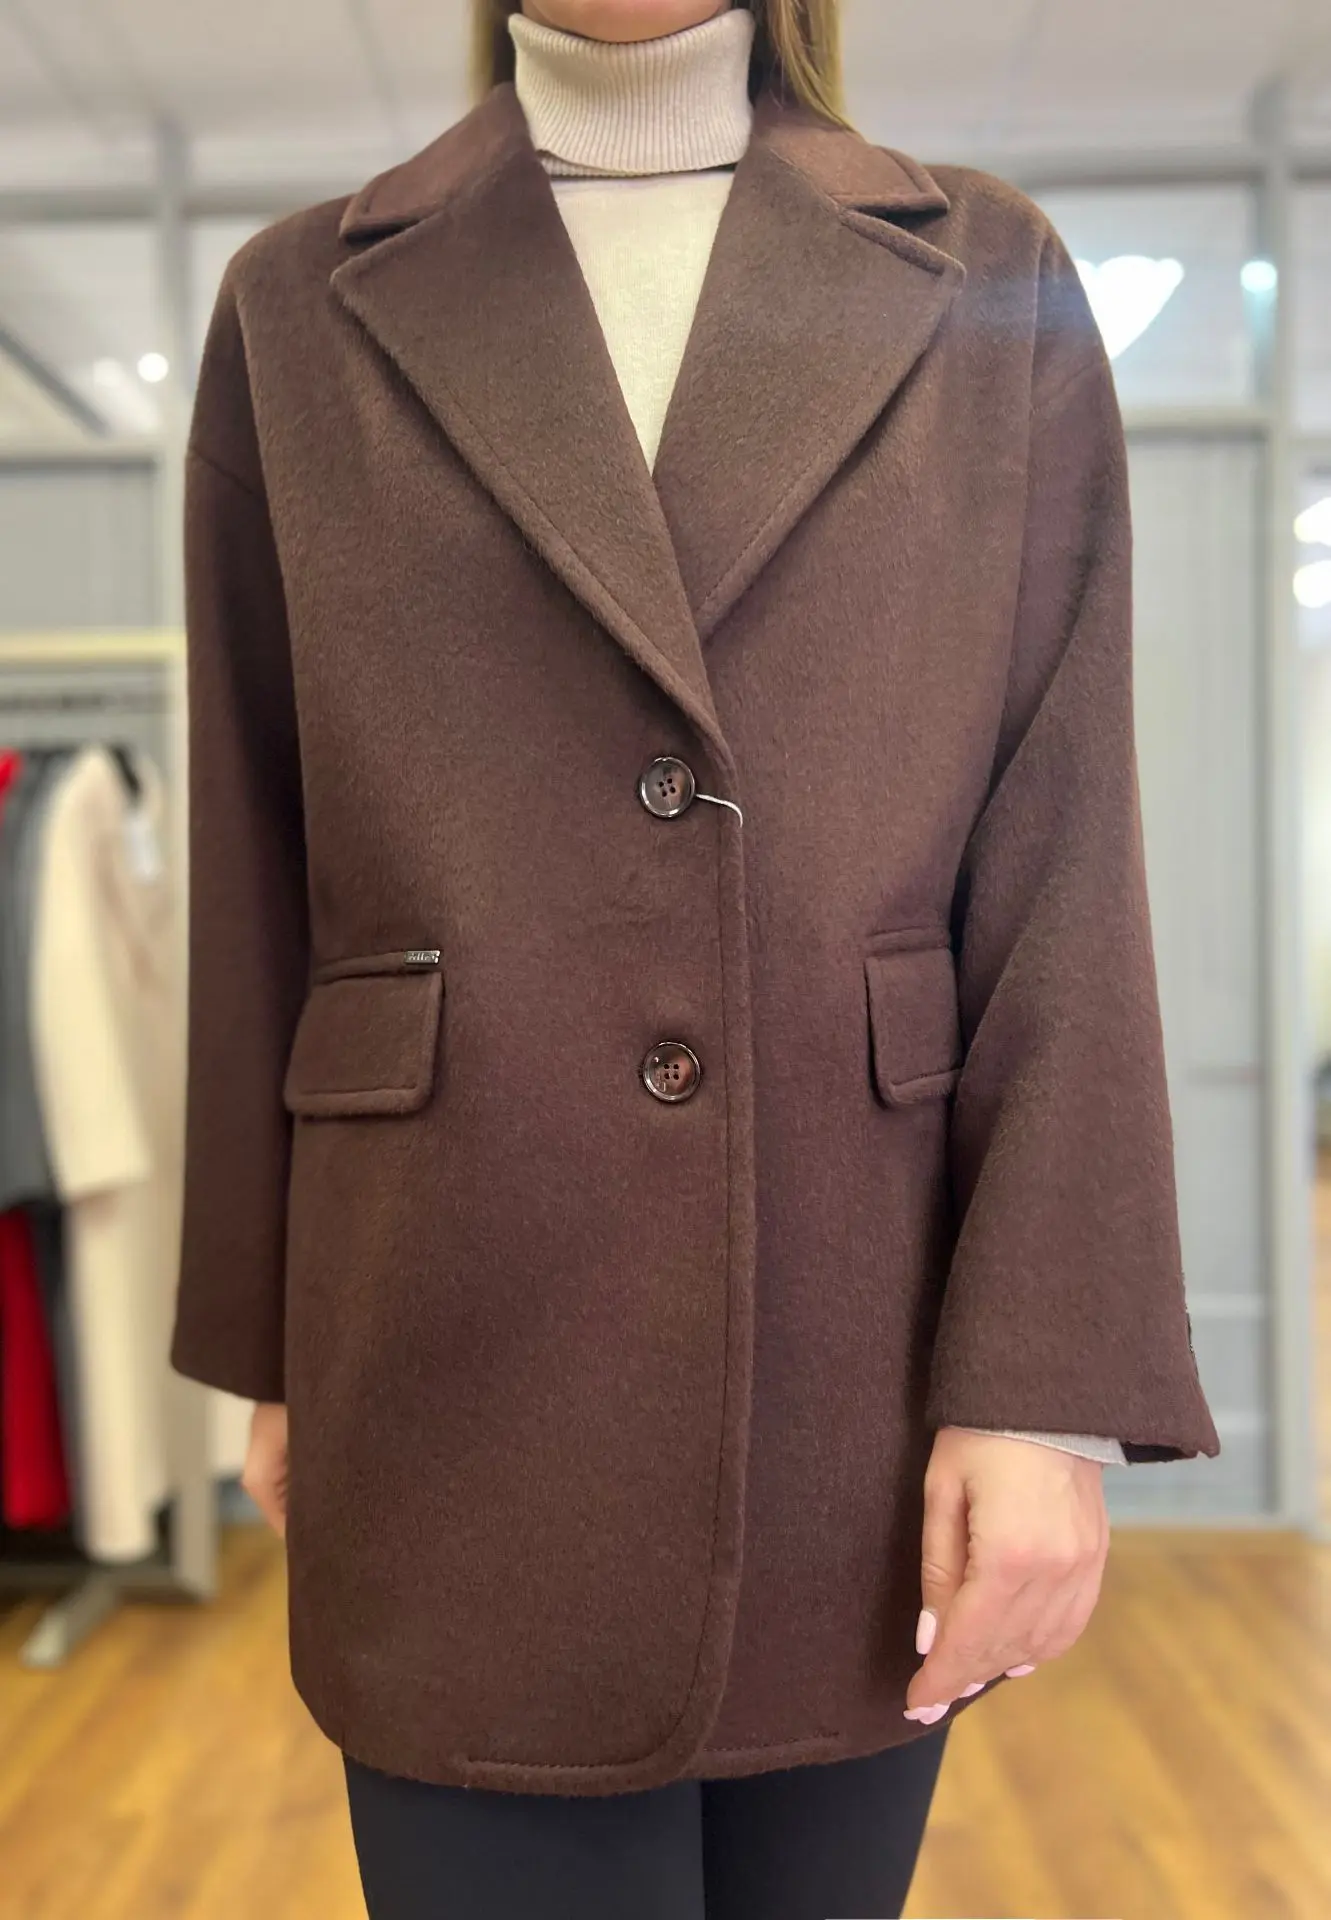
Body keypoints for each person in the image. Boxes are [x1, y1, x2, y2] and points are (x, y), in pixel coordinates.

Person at [169, 2, 1221, 1914]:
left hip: (852, 1353)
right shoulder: (298, 308)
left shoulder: (985, 280)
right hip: (445, 1343)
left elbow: (1062, 856)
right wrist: (270, 1341)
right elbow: (260, 851)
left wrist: (1044, 1385)